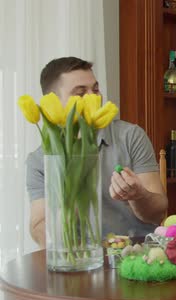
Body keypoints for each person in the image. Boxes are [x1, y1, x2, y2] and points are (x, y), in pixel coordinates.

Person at [26, 57, 168, 248]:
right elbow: (38, 229)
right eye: (81, 92)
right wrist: (69, 204)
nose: (94, 98)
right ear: (53, 102)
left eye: (95, 89)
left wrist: (138, 195)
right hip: (76, 259)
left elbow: (158, 213)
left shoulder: (130, 136)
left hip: (133, 255)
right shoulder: (40, 159)